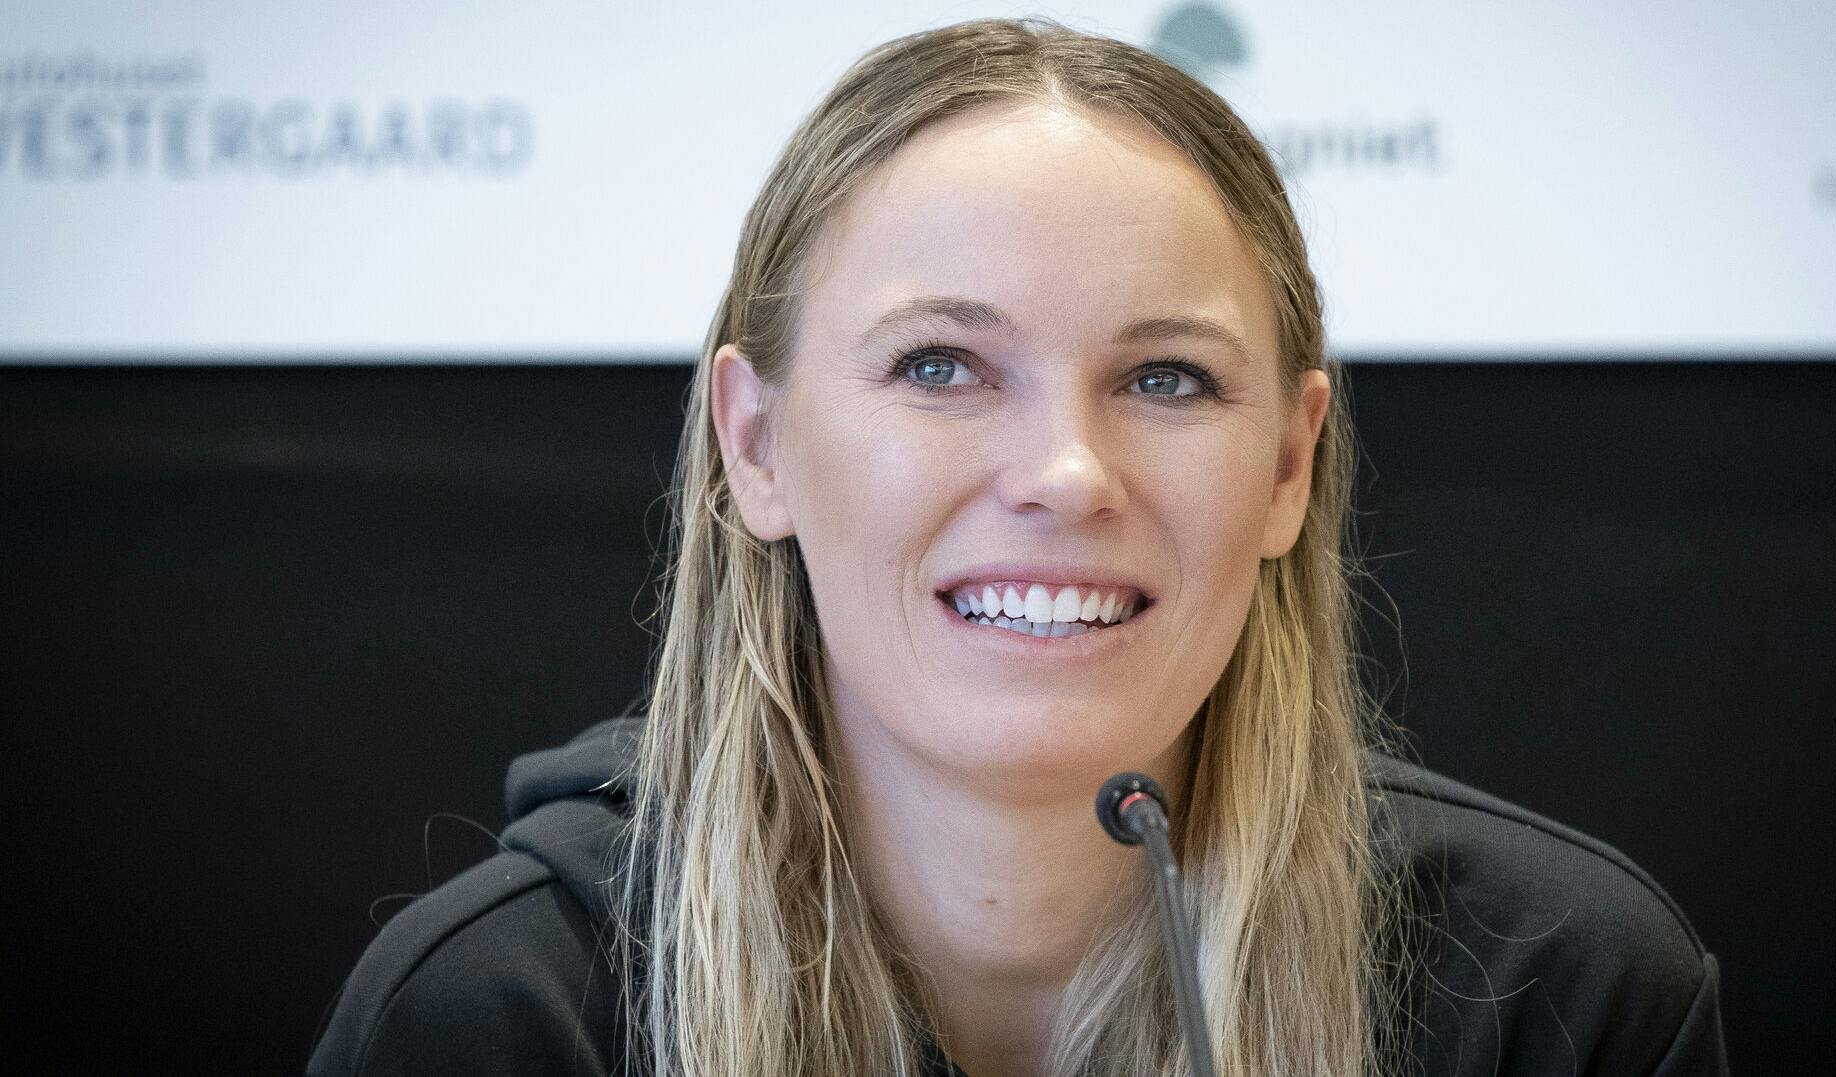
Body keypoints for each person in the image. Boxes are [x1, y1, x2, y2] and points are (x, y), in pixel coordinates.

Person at [310, 17, 1727, 1077]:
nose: (1064, 474)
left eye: (1166, 378)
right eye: (939, 366)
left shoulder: (1563, 999)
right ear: (757, 444)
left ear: (1291, 463)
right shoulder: (494, 1016)